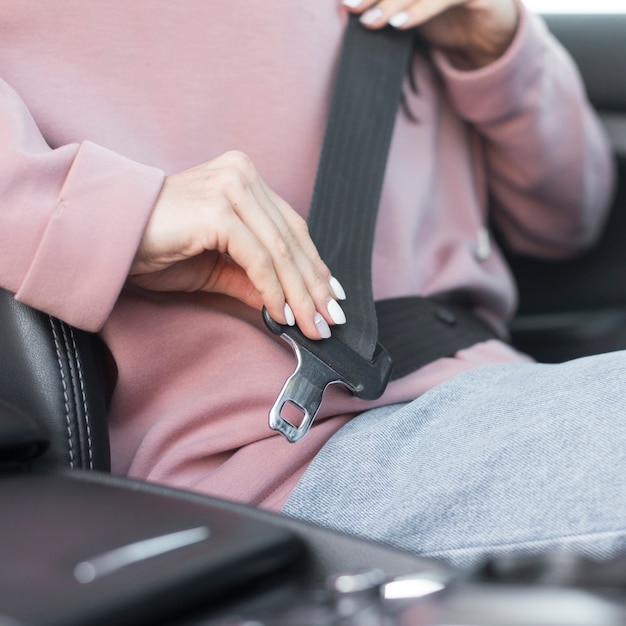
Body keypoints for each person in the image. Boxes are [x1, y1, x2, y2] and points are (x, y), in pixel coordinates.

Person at [0, 0, 620, 568]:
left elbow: (570, 216)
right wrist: (99, 211)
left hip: (496, 390)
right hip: (276, 456)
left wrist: (494, 42)